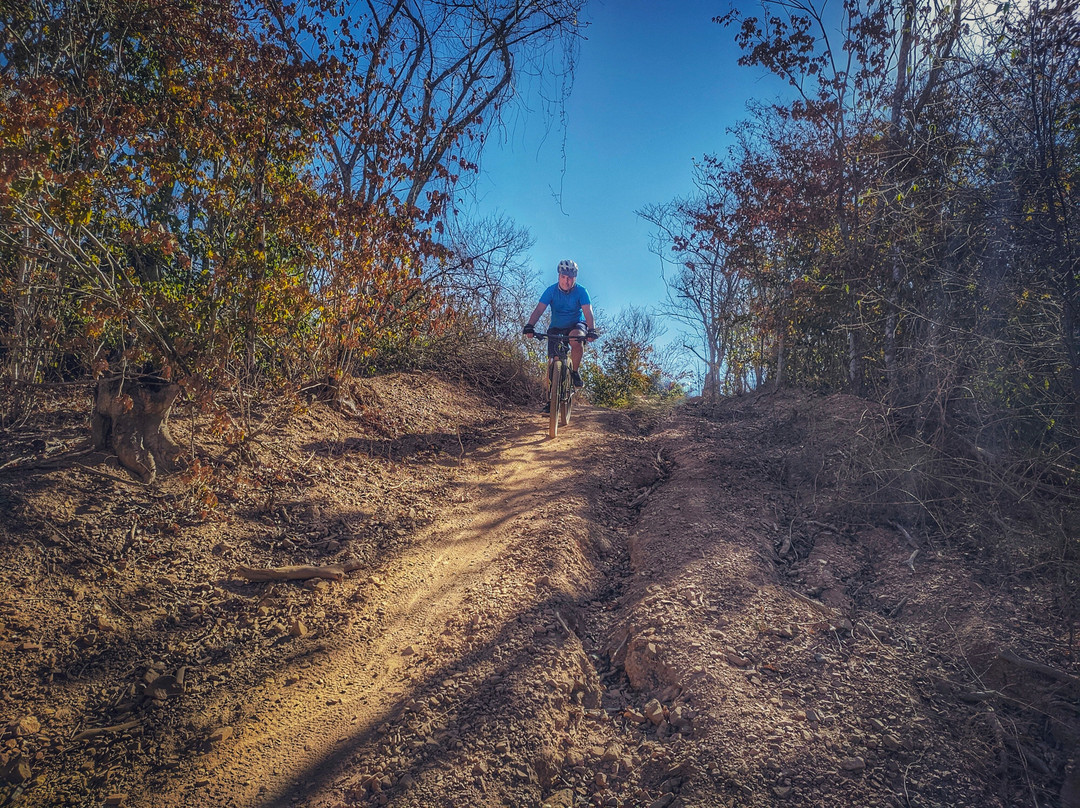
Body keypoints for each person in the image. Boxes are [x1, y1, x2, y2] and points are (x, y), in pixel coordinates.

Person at [522, 259, 598, 393]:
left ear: (574, 278)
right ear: (559, 276)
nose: (566, 281)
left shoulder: (581, 291)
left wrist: (591, 329)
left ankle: (574, 372)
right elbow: (539, 309)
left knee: (576, 338)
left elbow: (587, 311)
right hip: (556, 327)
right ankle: (551, 399)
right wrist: (530, 326)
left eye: (570, 278)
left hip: (576, 324)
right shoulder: (551, 291)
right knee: (553, 361)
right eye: (563, 277)